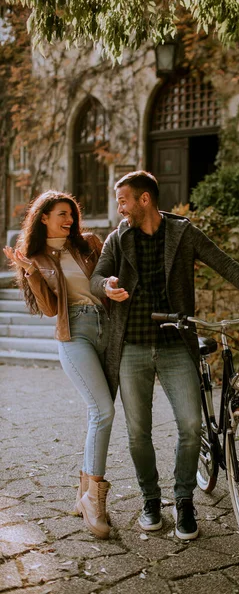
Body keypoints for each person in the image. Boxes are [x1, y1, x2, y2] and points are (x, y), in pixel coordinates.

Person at [90, 170, 239, 540]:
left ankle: (184, 501)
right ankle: (149, 499)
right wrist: (107, 286)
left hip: (177, 345)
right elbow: (98, 278)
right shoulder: (118, 239)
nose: (119, 207)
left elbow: (222, 261)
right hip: (132, 347)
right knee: (138, 432)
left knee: (191, 426)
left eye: (123, 199)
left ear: (145, 199)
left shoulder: (183, 233)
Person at [3, 191, 114, 540]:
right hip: (74, 333)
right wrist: (32, 274)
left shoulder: (90, 244)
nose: (69, 220)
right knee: (103, 411)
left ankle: (84, 492)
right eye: (62, 214)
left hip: (109, 329)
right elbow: (50, 310)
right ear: (44, 218)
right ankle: (94, 500)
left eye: (72, 215)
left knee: (99, 413)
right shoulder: (36, 257)